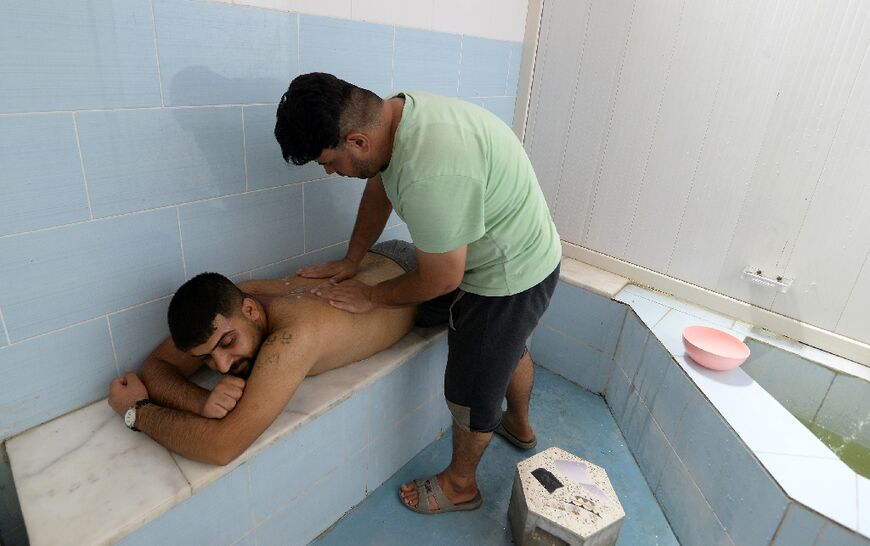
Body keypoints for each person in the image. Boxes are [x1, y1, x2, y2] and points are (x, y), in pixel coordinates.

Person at [274, 73, 561, 514]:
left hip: (509, 273)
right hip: (525, 247)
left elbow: (443, 279)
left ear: (356, 141)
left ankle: (461, 485)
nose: (331, 172)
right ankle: (518, 427)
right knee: (506, 347)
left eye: (329, 162)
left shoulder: (432, 169)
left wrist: (372, 296)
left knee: (470, 388)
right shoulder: (395, 117)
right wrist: (354, 259)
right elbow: (378, 189)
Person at [106, 241, 422, 466]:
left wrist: (136, 411)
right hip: (376, 258)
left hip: (419, 280)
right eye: (206, 358)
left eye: (228, 344)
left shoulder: (293, 336)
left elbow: (221, 447)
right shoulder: (237, 304)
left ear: (251, 310)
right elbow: (156, 365)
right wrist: (200, 401)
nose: (222, 365)